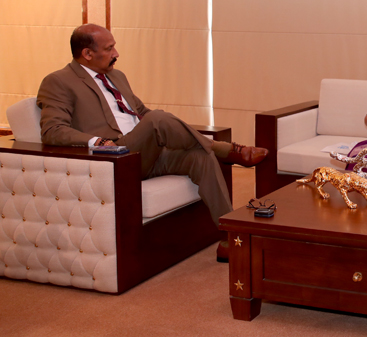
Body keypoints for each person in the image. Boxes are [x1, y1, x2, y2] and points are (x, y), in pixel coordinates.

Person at [36, 24, 269, 263]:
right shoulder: (58, 81)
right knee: (158, 119)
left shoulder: (117, 76)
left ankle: (230, 240)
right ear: (87, 53)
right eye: (110, 48)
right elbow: (52, 131)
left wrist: (166, 128)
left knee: (201, 156)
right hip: (116, 157)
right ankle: (226, 150)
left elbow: (140, 112)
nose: (116, 53)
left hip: (146, 152)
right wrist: (97, 141)